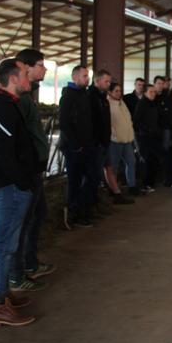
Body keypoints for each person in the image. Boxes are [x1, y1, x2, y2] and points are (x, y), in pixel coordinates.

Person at [0, 58, 36, 326]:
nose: (30, 78)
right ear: (13, 79)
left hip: (9, 185)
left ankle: (3, 293)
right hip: (7, 187)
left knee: (7, 244)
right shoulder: (2, 110)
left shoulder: (6, 106)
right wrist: (23, 182)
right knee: (2, 246)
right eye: (25, 74)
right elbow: (4, 155)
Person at [8, 49, 54, 293]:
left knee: (37, 214)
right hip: (26, 170)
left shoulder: (27, 97)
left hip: (34, 167)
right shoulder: (19, 101)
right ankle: (16, 274)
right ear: (24, 67)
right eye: (40, 65)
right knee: (23, 221)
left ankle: (30, 263)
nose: (44, 69)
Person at [58, 65, 98, 228]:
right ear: (74, 78)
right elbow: (64, 123)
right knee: (74, 181)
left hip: (87, 145)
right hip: (74, 147)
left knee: (91, 178)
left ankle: (84, 211)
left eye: (88, 76)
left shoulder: (85, 95)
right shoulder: (68, 96)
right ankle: (72, 215)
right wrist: (75, 144)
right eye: (84, 76)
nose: (87, 78)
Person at [105, 82, 138, 201]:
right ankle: (112, 189)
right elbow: (109, 123)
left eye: (120, 91)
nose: (119, 93)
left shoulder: (122, 103)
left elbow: (128, 119)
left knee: (131, 162)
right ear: (110, 92)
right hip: (115, 141)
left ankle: (132, 185)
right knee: (113, 166)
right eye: (116, 91)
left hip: (127, 139)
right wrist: (114, 136)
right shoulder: (108, 104)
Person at [88, 69, 114, 217]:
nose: (109, 84)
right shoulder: (91, 97)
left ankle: (95, 206)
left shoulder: (103, 97)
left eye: (109, 81)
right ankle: (90, 208)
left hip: (103, 142)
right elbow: (93, 122)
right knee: (94, 176)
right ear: (97, 81)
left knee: (97, 177)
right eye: (106, 81)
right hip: (96, 143)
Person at [134, 84, 163, 190]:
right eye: (151, 92)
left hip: (155, 136)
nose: (153, 94)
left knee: (154, 159)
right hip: (144, 137)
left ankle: (151, 182)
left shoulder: (154, 104)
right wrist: (147, 130)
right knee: (145, 160)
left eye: (154, 92)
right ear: (145, 93)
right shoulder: (141, 104)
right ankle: (144, 183)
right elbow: (137, 122)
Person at [153, 76, 172, 186]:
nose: (161, 85)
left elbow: (169, 113)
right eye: (159, 83)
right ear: (154, 84)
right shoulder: (151, 96)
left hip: (165, 129)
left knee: (165, 153)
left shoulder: (167, 97)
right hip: (154, 130)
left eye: (162, 83)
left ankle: (167, 178)